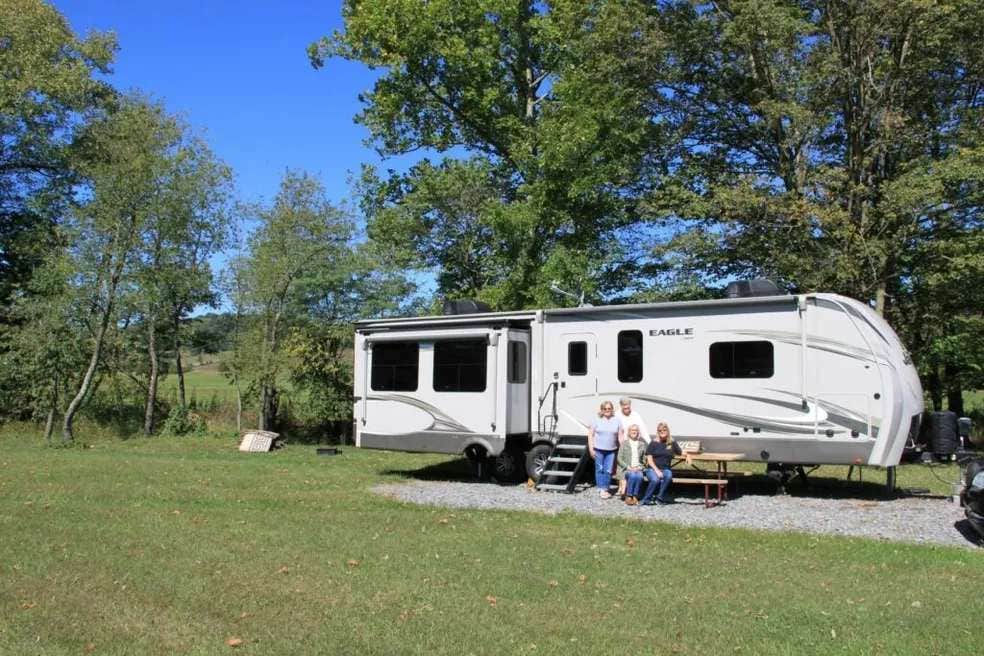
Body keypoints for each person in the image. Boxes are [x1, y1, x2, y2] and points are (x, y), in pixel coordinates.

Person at [615, 397, 650, 497]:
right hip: (621, 442)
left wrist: (650, 443)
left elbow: (643, 429)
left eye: (628, 407)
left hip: (633, 442)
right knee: (620, 466)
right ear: (621, 406)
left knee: (630, 465)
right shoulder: (617, 414)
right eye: (624, 407)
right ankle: (621, 487)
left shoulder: (635, 415)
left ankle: (626, 489)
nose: (626, 409)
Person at [588, 400, 623, 498]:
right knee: (600, 469)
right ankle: (602, 489)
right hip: (598, 449)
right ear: (602, 410)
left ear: (612, 409)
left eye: (609, 408)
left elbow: (620, 436)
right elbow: (590, 435)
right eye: (605, 409)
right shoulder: (596, 420)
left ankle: (605, 488)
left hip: (611, 450)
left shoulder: (617, 420)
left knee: (608, 470)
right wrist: (591, 448)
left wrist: (623, 448)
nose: (607, 410)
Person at [642, 422, 682, 505]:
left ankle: (659, 497)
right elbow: (649, 460)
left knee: (668, 475)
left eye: (664, 430)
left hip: (665, 468)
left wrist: (688, 455)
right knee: (655, 480)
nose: (662, 431)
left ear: (668, 431)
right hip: (652, 469)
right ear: (657, 432)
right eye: (660, 430)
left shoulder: (672, 443)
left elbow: (680, 452)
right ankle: (646, 499)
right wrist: (657, 470)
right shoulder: (653, 443)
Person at [616, 424, 648, 505]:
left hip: (638, 468)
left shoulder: (642, 444)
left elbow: (645, 459)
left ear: (638, 432)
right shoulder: (624, 443)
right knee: (633, 475)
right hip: (627, 468)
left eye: (636, 430)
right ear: (629, 432)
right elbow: (619, 458)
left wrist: (640, 467)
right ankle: (629, 496)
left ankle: (635, 495)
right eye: (632, 430)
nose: (634, 432)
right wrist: (628, 467)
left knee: (640, 476)